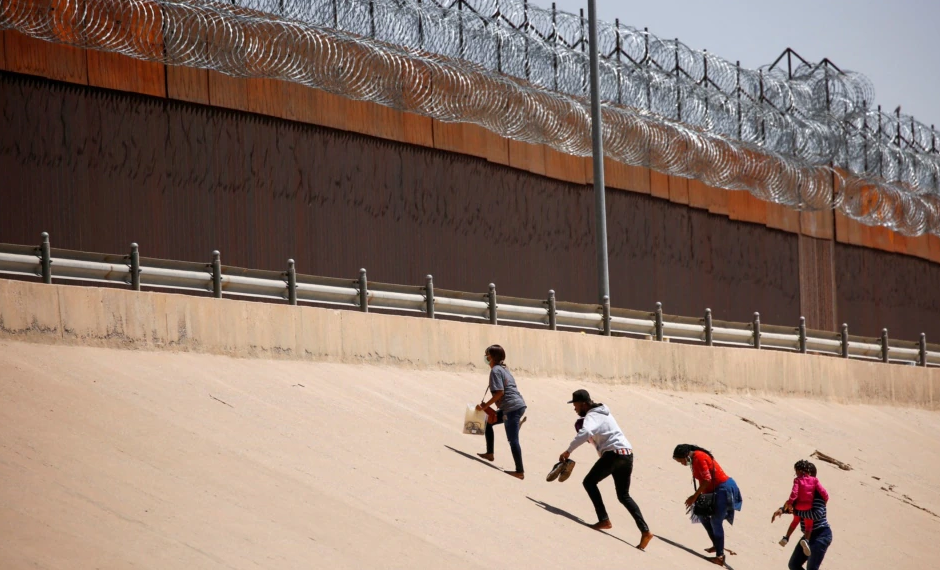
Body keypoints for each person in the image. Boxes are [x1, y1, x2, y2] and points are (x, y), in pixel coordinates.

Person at [559, 389, 654, 550]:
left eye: (575, 404)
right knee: (624, 495)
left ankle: (604, 519)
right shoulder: (603, 411)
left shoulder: (592, 416)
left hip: (614, 454)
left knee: (589, 482)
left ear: (583, 403)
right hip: (627, 454)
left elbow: (586, 431)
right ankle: (645, 531)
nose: (574, 408)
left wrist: (568, 450)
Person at [672, 444, 743, 567]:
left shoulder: (699, 457)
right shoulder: (695, 459)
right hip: (715, 491)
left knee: (716, 521)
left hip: (723, 489)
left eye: (681, 461)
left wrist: (694, 497)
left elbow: (706, 479)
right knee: (702, 515)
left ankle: (720, 556)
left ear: (685, 456)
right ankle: (717, 544)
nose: (682, 464)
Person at [475, 345, 526, 479]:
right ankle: (490, 453)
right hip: (513, 406)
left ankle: (519, 471)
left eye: (487, 354)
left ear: (492, 357)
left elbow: (499, 393)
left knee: (513, 439)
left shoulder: (496, 371)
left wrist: (485, 406)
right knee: (488, 422)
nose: (485, 357)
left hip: (511, 408)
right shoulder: (503, 369)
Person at [772, 462, 833, 570]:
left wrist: (797, 512)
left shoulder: (818, 495)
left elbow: (816, 514)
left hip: (821, 535)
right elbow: (795, 506)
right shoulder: (804, 494)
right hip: (808, 536)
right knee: (793, 565)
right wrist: (782, 510)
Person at [780, 460, 829, 555]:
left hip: (798, 506)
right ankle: (806, 540)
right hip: (808, 506)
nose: (796, 474)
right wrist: (825, 500)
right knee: (809, 524)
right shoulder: (814, 480)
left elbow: (794, 493)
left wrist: (790, 503)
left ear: (799, 470)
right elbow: (823, 492)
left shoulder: (797, 480)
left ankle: (786, 537)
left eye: (796, 471)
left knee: (794, 522)